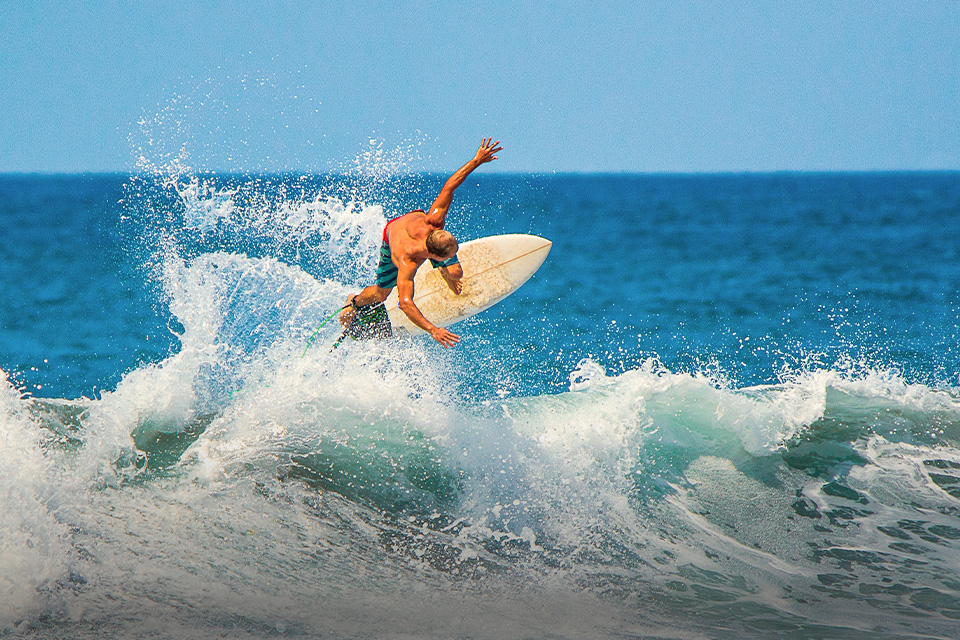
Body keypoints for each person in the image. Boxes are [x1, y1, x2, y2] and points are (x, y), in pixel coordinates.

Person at [339, 138, 503, 348]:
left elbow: (449, 187)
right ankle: (353, 302)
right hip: (393, 238)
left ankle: (446, 273)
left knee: (455, 273)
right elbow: (405, 304)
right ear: (434, 257)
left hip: (417, 227)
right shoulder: (407, 262)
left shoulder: (435, 220)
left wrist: (477, 160)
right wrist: (433, 329)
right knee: (381, 295)